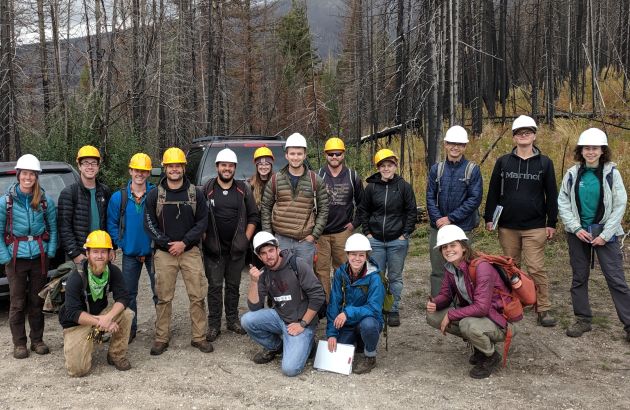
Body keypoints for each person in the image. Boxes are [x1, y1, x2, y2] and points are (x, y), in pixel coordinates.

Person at [483, 115, 558, 327]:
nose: (524, 136)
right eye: (519, 133)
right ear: (514, 137)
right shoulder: (503, 162)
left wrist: (551, 222)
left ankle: (543, 307)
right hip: (507, 226)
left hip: (535, 226)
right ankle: (512, 303)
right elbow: (493, 192)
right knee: (510, 268)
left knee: (535, 268)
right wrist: (489, 218)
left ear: (534, 135)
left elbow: (551, 194)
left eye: (528, 132)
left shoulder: (545, 163)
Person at [557, 128, 630, 342]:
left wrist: (606, 234)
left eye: (595, 148)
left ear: (602, 150)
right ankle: (583, 319)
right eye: (587, 148)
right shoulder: (572, 173)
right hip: (578, 232)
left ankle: (629, 324)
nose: (590, 152)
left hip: (605, 232)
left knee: (616, 279)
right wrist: (575, 228)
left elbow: (620, 204)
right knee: (579, 277)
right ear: (581, 150)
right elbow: (563, 202)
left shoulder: (611, 173)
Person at [144, 147, 212, 355]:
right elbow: (149, 223)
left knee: (197, 295)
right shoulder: (155, 195)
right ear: (165, 168)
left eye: (178, 166)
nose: (174, 170)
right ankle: (161, 337)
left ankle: (199, 337)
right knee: (163, 297)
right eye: (170, 166)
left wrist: (184, 242)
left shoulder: (195, 194)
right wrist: (167, 243)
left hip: (190, 251)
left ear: (184, 167)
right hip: (164, 254)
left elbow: (202, 222)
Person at [426, 225, 512, 379]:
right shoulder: (451, 267)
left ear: (464, 248)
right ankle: (480, 347)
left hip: (500, 319)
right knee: (434, 316)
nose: (448, 250)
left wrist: (452, 315)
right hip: (480, 315)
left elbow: (482, 308)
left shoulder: (481, 267)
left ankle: (491, 356)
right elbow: (446, 295)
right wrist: (436, 302)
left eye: (453, 245)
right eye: (444, 247)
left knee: (467, 324)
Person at [241, 231, 326, 377]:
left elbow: (318, 296)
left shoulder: (297, 264)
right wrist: (254, 283)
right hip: (281, 317)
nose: (269, 256)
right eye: (263, 253)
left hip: (302, 321)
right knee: (247, 320)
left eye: (271, 250)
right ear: (259, 256)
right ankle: (278, 346)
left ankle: (308, 344)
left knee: (290, 369)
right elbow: (255, 307)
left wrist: (303, 324)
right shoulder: (263, 274)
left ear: (278, 248)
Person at [0, 154, 58, 359]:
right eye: (25, 173)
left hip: (39, 258)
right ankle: (19, 343)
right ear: (18, 175)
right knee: (17, 303)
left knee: (36, 300)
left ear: (36, 177)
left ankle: (37, 340)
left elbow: (53, 227)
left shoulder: (44, 201)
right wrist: (4, 256)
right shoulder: (5, 202)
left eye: (32, 174)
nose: (28, 178)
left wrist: (50, 251)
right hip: (15, 259)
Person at [58, 230, 134, 377]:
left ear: (109, 254)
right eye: (95, 252)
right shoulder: (77, 276)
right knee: (78, 371)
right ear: (87, 254)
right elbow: (72, 312)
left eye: (103, 252)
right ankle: (87, 339)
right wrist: (102, 321)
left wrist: (108, 317)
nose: (99, 256)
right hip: (77, 323)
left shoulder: (112, 271)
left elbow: (123, 297)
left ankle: (116, 355)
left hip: (99, 317)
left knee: (126, 314)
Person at [202, 148, 258, 342]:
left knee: (233, 286)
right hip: (213, 250)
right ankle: (214, 324)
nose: (227, 169)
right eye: (224, 165)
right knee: (215, 287)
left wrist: (246, 238)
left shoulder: (243, 189)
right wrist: (204, 237)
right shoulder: (207, 188)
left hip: (237, 249)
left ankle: (232, 320)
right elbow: (199, 216)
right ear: (217, 166)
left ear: (235, 168)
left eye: (231, 166)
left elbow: (253, 216)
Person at [357, 149, 417, 327]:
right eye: (383, 166)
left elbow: (411, 211)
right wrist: (367, 232)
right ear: (378, 168)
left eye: (389, 165)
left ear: (395, 166)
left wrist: (404, 233)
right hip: (375, 240)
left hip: (396, 241)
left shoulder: (403, 187)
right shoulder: (371, 188)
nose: (386, 168)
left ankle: (393, 309)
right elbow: (363, 210)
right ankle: (377, 308)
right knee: (377, 276)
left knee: (395, 277)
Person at [426, 126, 483, 297]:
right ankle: (438, 302)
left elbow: (474, 199)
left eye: (459, 144)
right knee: (438, 269)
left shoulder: (472, 170)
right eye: (451, 143)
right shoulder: (437, 169)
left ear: (465, 146)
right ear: (445, 144)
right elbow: (430, 196)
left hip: (462, 227)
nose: (455, 147)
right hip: (438, 228)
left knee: (462, 267)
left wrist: (450, 218)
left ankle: (463, 302)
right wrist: (438, 219)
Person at [107, 153, 157, 343]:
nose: (140, 174)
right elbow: (111, 223)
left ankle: (161, 331)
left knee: (159, 293)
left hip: (153, 252)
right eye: (137, 170)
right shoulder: (118, 197)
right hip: (129, 254)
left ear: (148, 173)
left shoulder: (155, 194)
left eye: (144, 171)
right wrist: (119, 243)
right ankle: (130, 329)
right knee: (128, 294)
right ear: (130, 171)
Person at [260, 133, 329, 269]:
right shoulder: (275, 180)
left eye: (299, 153)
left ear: (305, 155)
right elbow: (266, 208)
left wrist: (314, 235)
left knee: (305, 280)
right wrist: (270, 238)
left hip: (305, 242)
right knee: (283, 279)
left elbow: (324, 209)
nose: (295, 157)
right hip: (281, 240)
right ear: (286, 155)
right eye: (292, 154)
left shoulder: (315, 180)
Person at [326, 233, 384, 374]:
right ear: (347, 254)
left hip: (366, 320)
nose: (357, 259)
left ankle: (370, 356)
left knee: (368, 325)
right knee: (337, 349)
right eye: (353, 254)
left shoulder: (374, 277)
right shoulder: (340, 273)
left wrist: (348, 313)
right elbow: (334, 303)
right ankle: (358, 342)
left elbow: (374, 309)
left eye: (361, 255)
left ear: (366, 256)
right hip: (347, 323)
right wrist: (332, 334)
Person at [315, 137, 364, 300]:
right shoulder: (318, 175)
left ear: (343, 154)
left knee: (342, 269)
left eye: (337, 153)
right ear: (325, 155)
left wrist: (354, 224)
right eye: (330, 154)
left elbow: (362, 203)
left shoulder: (352, 176)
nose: (334, 157)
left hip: (343, 232)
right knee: (321, 270)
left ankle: (341, 301)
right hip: (321, 233)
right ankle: (325, 304)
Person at [58, 145, 111, 267]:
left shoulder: (105, 191)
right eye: (86, 163)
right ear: (79, 166)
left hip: (101, 253)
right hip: (79, 255)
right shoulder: (69, 193)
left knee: (101, 285)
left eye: (93, 163)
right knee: (79, 286)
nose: (90, 167)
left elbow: (109, 222)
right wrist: (75, 254)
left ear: (98, 166)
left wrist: (111, 248)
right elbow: (64, 227)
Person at [250, 147, 274, 269]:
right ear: (256, 166)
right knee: (259, 261)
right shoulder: (250, 185)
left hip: (274, 227)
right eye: (260, 164)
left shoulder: (277, 182)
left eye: (267, 164)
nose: (263, 167)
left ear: (271, 165)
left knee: (273, 259)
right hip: (256, 229)